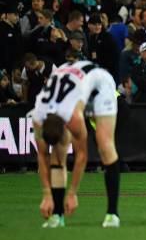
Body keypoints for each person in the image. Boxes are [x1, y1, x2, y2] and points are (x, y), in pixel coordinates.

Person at [32, 61, 120, 228]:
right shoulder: (38, 115)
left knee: (105, 145)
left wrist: (72, 193)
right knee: (57, 155)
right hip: (75, 80)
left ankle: (112, 214)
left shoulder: (73, 117)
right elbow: (42, 155)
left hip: (100, 83)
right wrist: (46, 194)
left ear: (67, 127)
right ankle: (57, 215)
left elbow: (82, 155)